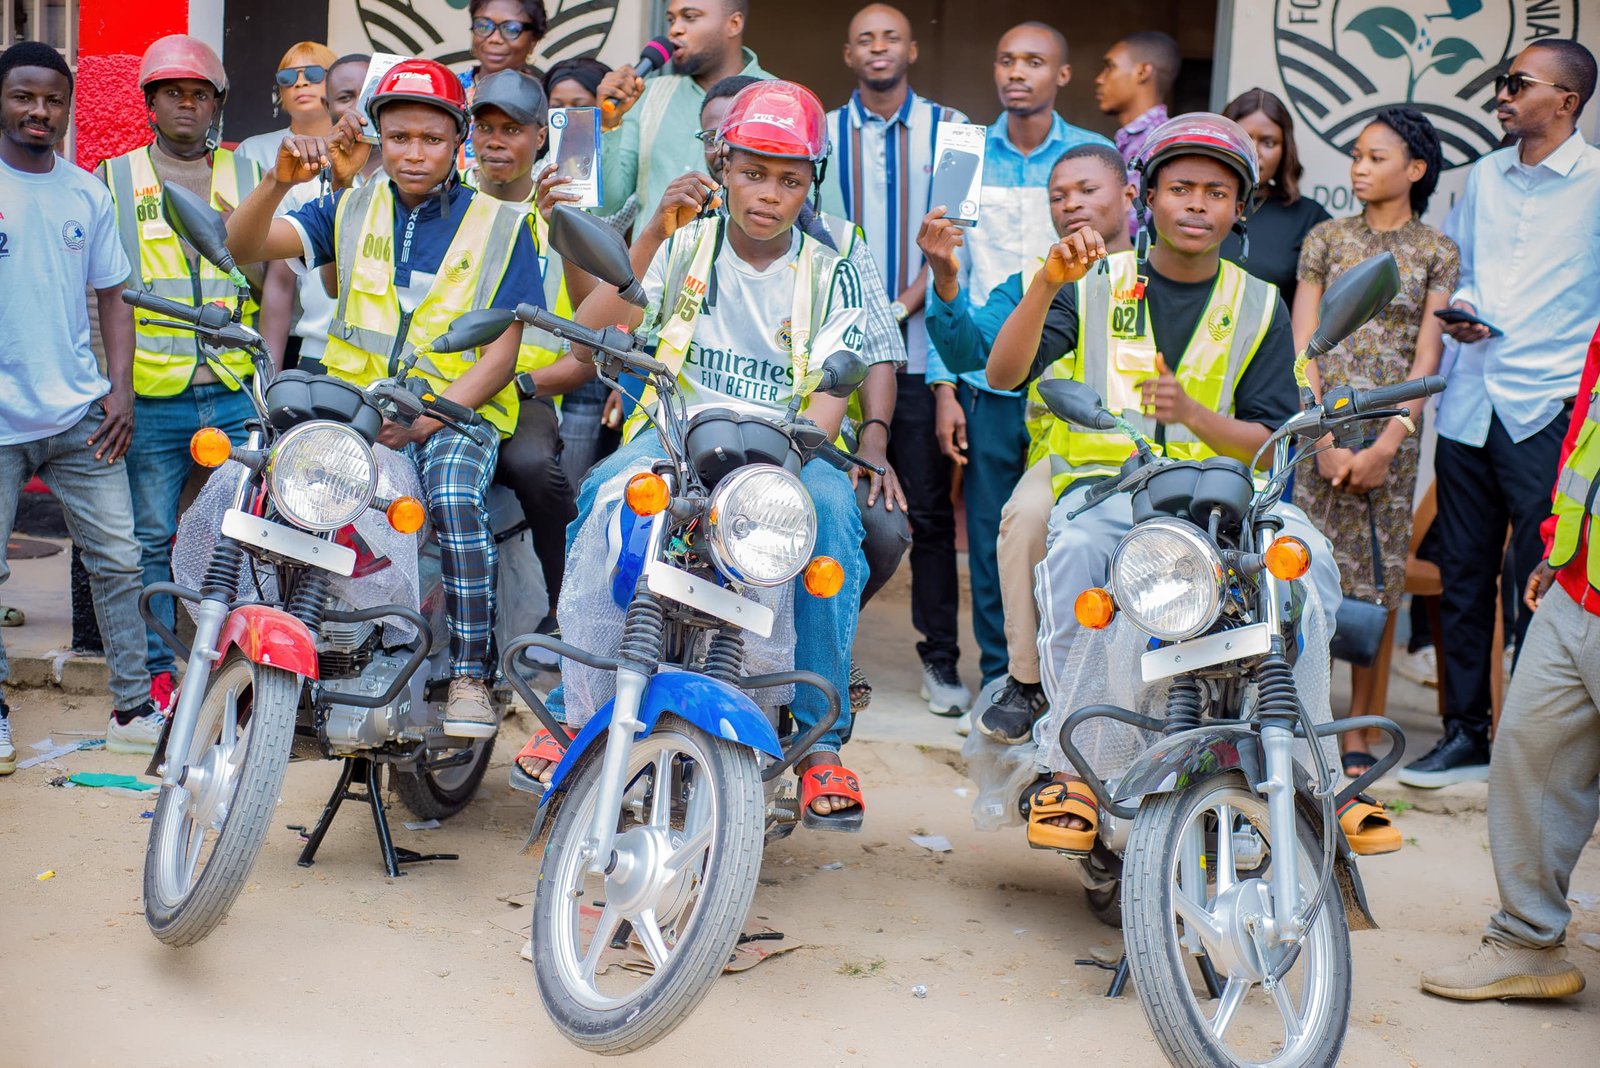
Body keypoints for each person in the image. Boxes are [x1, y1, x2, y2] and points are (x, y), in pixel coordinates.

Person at [521, 81, 871, 826]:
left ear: (811, 183)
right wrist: (650, 232)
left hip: (788, 444)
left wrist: (786, 468)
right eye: (752, 173)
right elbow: (590, 336)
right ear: (722, 166)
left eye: (790, 180)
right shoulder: (682, 241)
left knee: (831, 518)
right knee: (607, 492)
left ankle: (820, 742)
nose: (769, 194)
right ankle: (576, 706)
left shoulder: (833, 266)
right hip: (676, 431)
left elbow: (831, 396)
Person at [989, 115, 1339, 850]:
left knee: (1308, 564)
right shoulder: (1093, 282)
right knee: (1075, 552)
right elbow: (1004, 372)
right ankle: (1069, 766)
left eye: (1217, 192)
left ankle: (1311, 770)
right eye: (1180, 188)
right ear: (1147, 197)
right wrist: (1047, 283)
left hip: (1224, 500)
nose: (1197, 204)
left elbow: (1268, 437)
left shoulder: (1259, 302)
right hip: (1113, 491)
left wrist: (1195, 415)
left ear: (1240, 209)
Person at [223, 58, 546, 738]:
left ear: (458, 142)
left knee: (452, 498)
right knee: (275, 486)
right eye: (399, 138)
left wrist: (429, 418)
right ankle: (278, 644)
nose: (414, 153)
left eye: (431, 139)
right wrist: (280, 181)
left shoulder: (503, 223)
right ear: (378, 137)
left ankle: (469, 675)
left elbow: (502, 353)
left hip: (455, 415)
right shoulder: (349, 205)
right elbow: (243, 243)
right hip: (357, 407)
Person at [1404, 39, 1600, 788]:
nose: (1503, 94)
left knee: (1544, 582)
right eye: (1502, 80)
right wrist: (1466, 309)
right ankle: (1465, 736)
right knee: (1462, 575)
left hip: (1550, 406)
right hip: (1472, 400)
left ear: (1567, 101)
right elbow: (1468, 269)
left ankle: (1536, 747)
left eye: (1519, 83)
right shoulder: (1485, 174)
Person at [925, 21, 1112, 711]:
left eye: (1034, 60)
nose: (1016, 72)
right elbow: (949, 260)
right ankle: (1004, 680)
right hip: (989, 377)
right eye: (1006, 59)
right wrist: (945, 385)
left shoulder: (1089, 155)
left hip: (1078, 385)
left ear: (1062, 74)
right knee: (993, 538)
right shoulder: (964, 153)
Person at [1417, 320, 1600, 1002]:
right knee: (1530, 757)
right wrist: (1556, 545)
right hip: (1578, 585)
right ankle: (1526, 940)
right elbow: (1583, 432)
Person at [0, 41, 159, 765]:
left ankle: (133, 710)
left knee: (120, 562)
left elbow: (114, 297)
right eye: (23, 96)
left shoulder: (86, 194)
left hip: (78, 417)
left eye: (53, 100)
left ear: (68, 108)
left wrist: (120, 388)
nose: (39, 111)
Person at [1291, 108, 1458, 777]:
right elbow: (1304, 346)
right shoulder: (1326, 239)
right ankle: (1306, 717)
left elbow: (1427, 357)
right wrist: (1323, 434)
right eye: (1356, 156)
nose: (1359, 168)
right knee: (1304, 575)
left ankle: (1359, 731)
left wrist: (1390, 442)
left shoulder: (1436, 251)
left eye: (1375, 157)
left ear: (1415, 169)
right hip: (1320, 431)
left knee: (1375, 585)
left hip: (1394, 436)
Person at [99, 35, 262, 717]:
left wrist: (272, 370)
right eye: (172, 93)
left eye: (199, 93)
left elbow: (274, 281)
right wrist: (118, 388)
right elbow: (108, 291)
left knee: (249, 534)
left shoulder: (250, 174)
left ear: (217, 103)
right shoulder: (114, 178)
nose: (186, 104)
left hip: (234, 385)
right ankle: (158, 673)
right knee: (149, 538)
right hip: (154, 395)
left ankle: (244, 668)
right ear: (151, 103)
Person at [822, 2, 970, 716]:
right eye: (864, 39)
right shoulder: (819, 132)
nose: (878, 48)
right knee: (819, 505)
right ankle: (818, 645)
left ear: (913, 49)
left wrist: (899, 310)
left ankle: (941, 661)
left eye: (891, 38)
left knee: (927, 513)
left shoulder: (957, 132)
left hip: (920, 353)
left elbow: (959, 242)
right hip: (828, 353)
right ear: (848, 55)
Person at [464, 68, 579, 637]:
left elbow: (590, 337)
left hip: (524, 388)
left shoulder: (561, 211)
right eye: (484, 127)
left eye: (511, 129)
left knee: (536, 468)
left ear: (540, 136)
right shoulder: (447, 199)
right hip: (441, 380)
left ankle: (564, 606)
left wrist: (568, 231)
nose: (495, 141)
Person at [259, 54, 382, 373]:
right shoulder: (305, 179)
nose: (358, 109)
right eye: (346, 97)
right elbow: (280, 284)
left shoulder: (412, 181)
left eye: (368, 94)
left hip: (389, 363)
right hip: (317, 354)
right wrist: (268, 377)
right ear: (327, 106)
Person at [596, 0, 769, 223]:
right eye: (671, 19)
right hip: (657, 247)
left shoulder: (779, 98)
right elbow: (606, 205)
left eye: (690, 17)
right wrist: (608, 124)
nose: (674, 29)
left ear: (734, 24)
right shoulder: (648, 95)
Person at [541, 56, 625, 484]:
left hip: (590, 343)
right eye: (558, 107)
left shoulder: (618, 177)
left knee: (570, 480)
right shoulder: (537, 173)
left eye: (580, 106)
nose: (569, 117)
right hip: (541, 340)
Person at [1220, 87, 1329, 311]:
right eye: (1244, 138)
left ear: (1285, 150)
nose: (1254, 151)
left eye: (1268, 142)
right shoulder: (1193, 204)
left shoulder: (1309, 217)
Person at [1093, 30, 1178, 238]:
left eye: (1110, 67)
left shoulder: (1161, 142)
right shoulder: (1131, 140)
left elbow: (1132, 226)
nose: (1099, 79)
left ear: (1142, 72)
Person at [459, 0, 549, 170]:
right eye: (483, 26)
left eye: (511, 29)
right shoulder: (449, 92)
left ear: (533, 41)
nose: (495, 38)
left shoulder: (546, 100)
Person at [233, 41, 338, 177]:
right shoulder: (251, 151)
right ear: (281, 92)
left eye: (314, 73)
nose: (300, 82)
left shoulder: (358, 150)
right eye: (287, 77)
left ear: (337, 82)